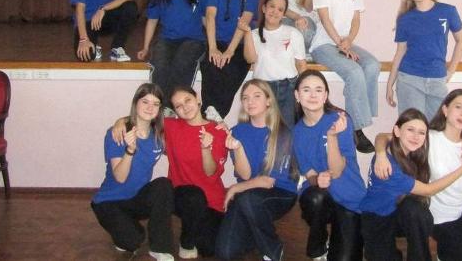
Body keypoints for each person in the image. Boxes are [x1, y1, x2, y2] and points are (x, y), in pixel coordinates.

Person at [375, 90, 462, 261]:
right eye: (458, 107)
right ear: (445, 109)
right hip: (441, 219)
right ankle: (448, 251)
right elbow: (384, 137)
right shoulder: (429, 139)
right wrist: (381, 154)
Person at [113, 85, 228, 259]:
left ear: (198, 99)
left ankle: (197, 227)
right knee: (193, 196)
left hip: (212, 200)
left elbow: (211, 172)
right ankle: (186, 243)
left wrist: (206, 148)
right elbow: (143, 116)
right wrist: (120, 122)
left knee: (209, 248)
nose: (185, 107)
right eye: (178, 106)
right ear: (175, 111)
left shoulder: (218, 131)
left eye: (188, 100)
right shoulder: (171, 126)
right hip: (181, 196)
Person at [360, 108, 462, 261]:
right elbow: (429, 190)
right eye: (410, 130)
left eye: (421, 132)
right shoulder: (391, 166)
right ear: (397, 131)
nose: (416, 136)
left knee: (417, 212)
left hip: (418, 211)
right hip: (382, 219)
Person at [309, 0, 380, 153]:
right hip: (324, 44)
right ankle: (356, 128)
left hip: (345, 42)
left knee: (372, 65)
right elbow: (324, 19)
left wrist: (348, 40)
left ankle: (362, 114)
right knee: (354, 72)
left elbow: (356, 19)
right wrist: (340, 43)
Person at [216, 79, 298, 261]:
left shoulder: (283, 133)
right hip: (247, 195)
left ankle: (273, 249)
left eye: (256, 96)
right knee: (225, 252)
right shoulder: (237, 131)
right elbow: (245, 175)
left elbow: (267, 182)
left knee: (248, 199)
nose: (250, 101)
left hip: (280, 193)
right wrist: (238, 148)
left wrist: (235, 188)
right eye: (245, 98)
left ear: (268, 100)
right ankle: (255, 232)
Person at [91, 83, 174, 261]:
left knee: (164, 185)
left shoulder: (159, 134)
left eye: (156, 104)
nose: (150, 107)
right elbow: (120, 177)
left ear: (160, 109)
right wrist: (130, 150)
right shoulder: (118, 133)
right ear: (136, 103)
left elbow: (186, 122)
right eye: (145, 102)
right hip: (109, 201)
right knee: (134, 240)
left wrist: (218, 126)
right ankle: (123, 230)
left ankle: (160, 248)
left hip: (136, 199)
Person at [292, 69, 366, 261]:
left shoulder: (340, 120)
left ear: (325, 96)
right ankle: (318, 246)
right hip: (323, 201)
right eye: (306, 90)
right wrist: (317, 179)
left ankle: (346, 236)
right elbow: (309, 173)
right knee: (314, 198)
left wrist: (331, 136)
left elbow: (338, 171)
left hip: (349, 199)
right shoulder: (297, 132)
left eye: (318, 90)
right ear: (297, 95)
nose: (313, 95)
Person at [386, 0, 462, 120]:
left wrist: (451, 70)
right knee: (412, 126)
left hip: (437, 79)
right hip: (409, 79)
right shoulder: (405, 19)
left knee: (437, 126)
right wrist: (389, 84)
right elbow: (400, 52)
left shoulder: (448, 11)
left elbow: (461, 40)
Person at [137, 0, 208, 95]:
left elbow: (207, 20)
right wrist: (145, 47)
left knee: (181, 62)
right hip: (166, 39)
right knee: (160, 65)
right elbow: (152, 21)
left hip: (193, 40)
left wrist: (215, 44)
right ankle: (161, 103)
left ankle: (177, 102)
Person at [200, 0, 260, 117]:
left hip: (239, 44)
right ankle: (209, 112)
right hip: (217, 40)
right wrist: (213, 48)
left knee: (231, 72)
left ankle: (214, 115)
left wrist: (230, 51)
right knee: (210, 67)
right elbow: (210, 16)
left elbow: (244, 22)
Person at [241, 0, 307, 127]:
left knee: (287, 131)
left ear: (283, 14)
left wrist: (304, 90)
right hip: (262, 89)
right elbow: (250, 59)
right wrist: (247, 33)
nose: (275, 11)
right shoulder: (253, 34)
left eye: (280, 9)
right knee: (263, 130)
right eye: (272, 6)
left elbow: (301, 65)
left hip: (289, 88)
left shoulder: (293, 33)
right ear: (264, 8)